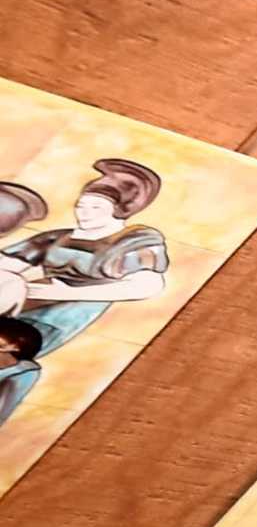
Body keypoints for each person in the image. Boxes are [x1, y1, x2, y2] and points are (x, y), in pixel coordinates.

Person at [0, 159, 171, 400]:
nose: (84, 214)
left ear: (119, 209)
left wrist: (64, 294)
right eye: (81, 206)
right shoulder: (57, 237)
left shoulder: (134, 240)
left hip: (59, 316)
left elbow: (148, 285)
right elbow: (8, 264)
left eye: (95, 208)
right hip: (27, 301)